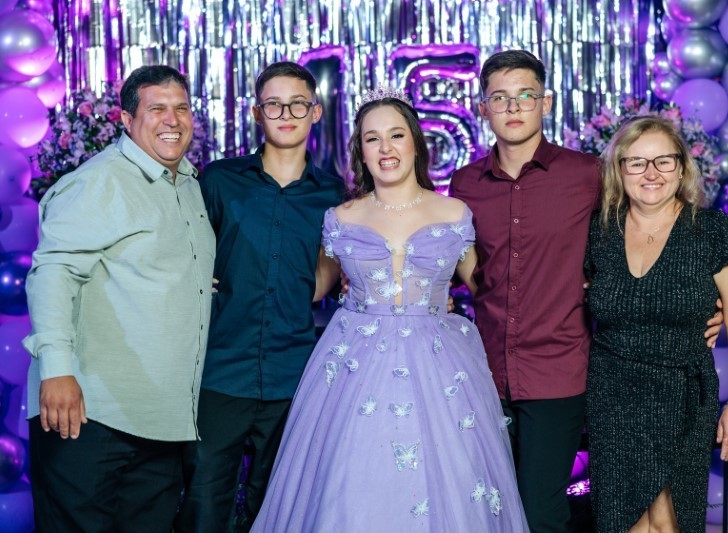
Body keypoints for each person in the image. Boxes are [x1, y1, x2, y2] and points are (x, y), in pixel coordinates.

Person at [448, 50, 723, 532]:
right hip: (483, 371)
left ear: (546, 103)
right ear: (482, 108)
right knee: (488, 507)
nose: (513, 107)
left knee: (541, 511)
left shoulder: (587, 175)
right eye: (500, 97)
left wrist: (701, 300)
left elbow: (651, 229)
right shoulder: (465, 183)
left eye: (525, 95)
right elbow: (458, 264)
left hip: (558, 368)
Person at [250, 89, 529, 532]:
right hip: (354, 363)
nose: (386, 148)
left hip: (439, 363)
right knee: (350, 478)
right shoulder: (341, 217)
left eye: (396, 135)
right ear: (360, 152)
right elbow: (312, 287)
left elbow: (488, 289)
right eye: (372, 138)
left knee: (450, 479)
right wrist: (226, 274)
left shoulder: (454, 212)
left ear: (415, 142)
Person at [23, 65, 215, 532]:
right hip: (89, 414)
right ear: (126, 120)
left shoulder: (188, 186)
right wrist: (57, 370)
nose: (172, 120)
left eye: (181, 108)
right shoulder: (100, 181)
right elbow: (53, 272)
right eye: (157, 109)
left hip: (159, 419)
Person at [174, 62, 344, 533]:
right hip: (219, 372)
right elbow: (183, 252)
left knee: (281, 506)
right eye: (274, 104)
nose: (286, 114)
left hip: (295, 376)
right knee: (204, 503)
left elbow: (329, 277)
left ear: (315, 111)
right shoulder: (219, 181)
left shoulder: (335, 196)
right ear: (256, 112)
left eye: (297, 104)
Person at [583, 115, 728, 532]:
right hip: (613, 396)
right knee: (619, 520)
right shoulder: (599, 231)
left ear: (681, 168)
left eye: (663, 161)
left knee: (670, 519)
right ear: (619, 170)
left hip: (682, 396)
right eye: (637, 162)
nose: (651, 173)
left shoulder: (712, 231)